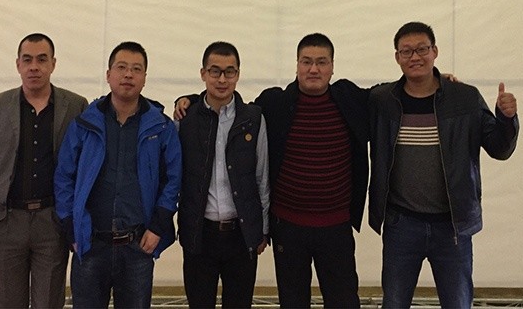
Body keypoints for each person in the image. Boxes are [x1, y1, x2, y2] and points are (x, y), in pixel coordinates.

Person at [176, 33, 368, 308]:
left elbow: (390, 93)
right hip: (288, 228)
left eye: (321, 62)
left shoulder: (350, 99)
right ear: (297, 65)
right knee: (292, 302)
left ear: (332, 66)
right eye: (306, 62)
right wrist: (191, 99)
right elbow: (224, 100)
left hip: (335, 227)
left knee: (344, 301)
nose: (314, 69)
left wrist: (432, 81)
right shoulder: (275, 103)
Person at [367, 21, 519, 309]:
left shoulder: (465, 98)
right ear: (397, 57)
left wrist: (506, 118)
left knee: (458, 303)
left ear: (434, 51)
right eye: (406, 51)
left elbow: (499, 149)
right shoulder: (383, 100)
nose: (415, 57)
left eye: (422, 49)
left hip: (453, 226)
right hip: (402, 225)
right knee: (394, 303)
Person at [54, 41, 182, 308]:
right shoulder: (85, 124)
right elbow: (64, 176)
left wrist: (158, 226)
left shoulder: (161, 126)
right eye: (121, 67)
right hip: (90, 244)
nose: (128, 75)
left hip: (138, 246)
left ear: (144, 78)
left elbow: (173, 179)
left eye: (136, 69)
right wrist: (71, 228)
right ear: (108, 74)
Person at [0, 33, 88, 309]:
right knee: (9, 302)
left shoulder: (75, 106)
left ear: (53, 64)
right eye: (27, 60)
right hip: (6, 221)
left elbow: (85, 165)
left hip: (52, 222)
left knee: (49, 302)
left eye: (42, 60)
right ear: (18, 64)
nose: (34, 66)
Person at [177, 41, 270, 309]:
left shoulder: (253, 118)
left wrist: (262, 229)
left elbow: (262, 177)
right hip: (199, 234)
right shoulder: (185, 119)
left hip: (241, 235)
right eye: (215, 71)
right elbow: (176, 177)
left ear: (238, 74)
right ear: (203, 73)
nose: (222, 79)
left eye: (229, 72)